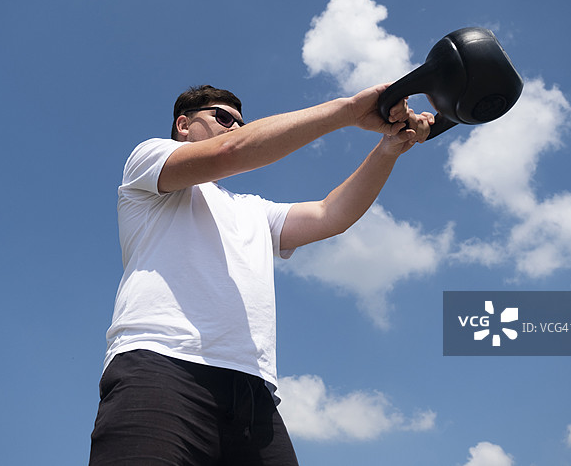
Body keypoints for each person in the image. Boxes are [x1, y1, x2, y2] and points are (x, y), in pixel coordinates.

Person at [89, 84, 433, 465]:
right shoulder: (149, 162)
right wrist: (350, 110)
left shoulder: (252, 211)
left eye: (241, 123)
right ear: (183, 125)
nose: (234, 128)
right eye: (222, 118)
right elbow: (231, 153)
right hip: (161, 368)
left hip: (254, 395)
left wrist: (389, 150)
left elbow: (330, 215)